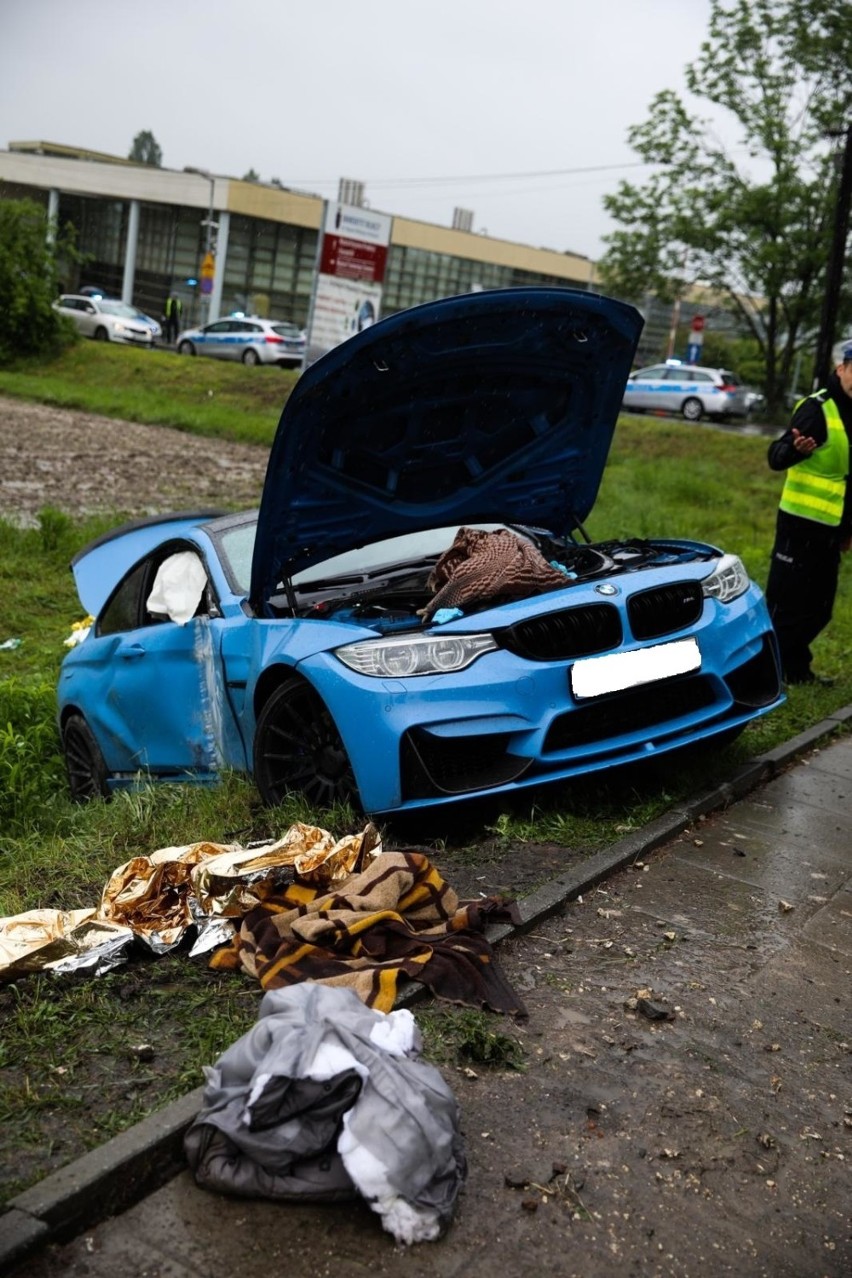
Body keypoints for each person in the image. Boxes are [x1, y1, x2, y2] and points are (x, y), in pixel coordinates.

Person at [765, 342, 852, 685]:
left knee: (819, 610)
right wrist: (795, 451)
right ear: (841, 368)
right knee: (786, 607)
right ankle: (772, 672)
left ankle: (795, 669)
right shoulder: (818, 409)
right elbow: (776, 456)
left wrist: (847, 529)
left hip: (830, 529)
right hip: (799, 527)